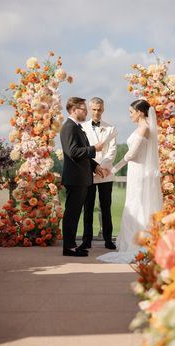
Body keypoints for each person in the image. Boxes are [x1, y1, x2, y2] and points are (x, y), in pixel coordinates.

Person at [97, 99, 163, 263]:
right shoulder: (142, 128)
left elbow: (131, 154)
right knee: (135, 202)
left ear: (140, 112)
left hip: (138, 171)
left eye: (131, 112)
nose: (129, 115)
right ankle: (137, 240)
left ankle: (138, 243)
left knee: (137, 204)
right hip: (136, 171)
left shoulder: (144, 129)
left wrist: (113, 169)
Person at [60, 97, 107, 257]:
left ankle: (72, 245)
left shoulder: (76, 127)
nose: (87, 111)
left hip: (81, 177)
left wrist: (95, 166)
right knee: (72, 214)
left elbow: (81, 154)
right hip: (75, 178)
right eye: (83, 109)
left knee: (74, 213)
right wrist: (94, 148)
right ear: (73, 110)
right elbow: (73, 152)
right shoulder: (69, 127)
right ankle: (69, 248)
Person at [78, 97, 117, 250]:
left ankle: (108, 239)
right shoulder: (82, 127)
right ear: (89, 109)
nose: (96, 112)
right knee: (87, 207)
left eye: (99, 109)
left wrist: (102, 167)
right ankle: (87, 239)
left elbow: (112, 150)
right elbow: (83, 150)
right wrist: (94, 167)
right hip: (88, 171)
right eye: (94, 109)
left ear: (103, 109)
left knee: (106, 207)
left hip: (106, 173)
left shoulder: (111, 128)